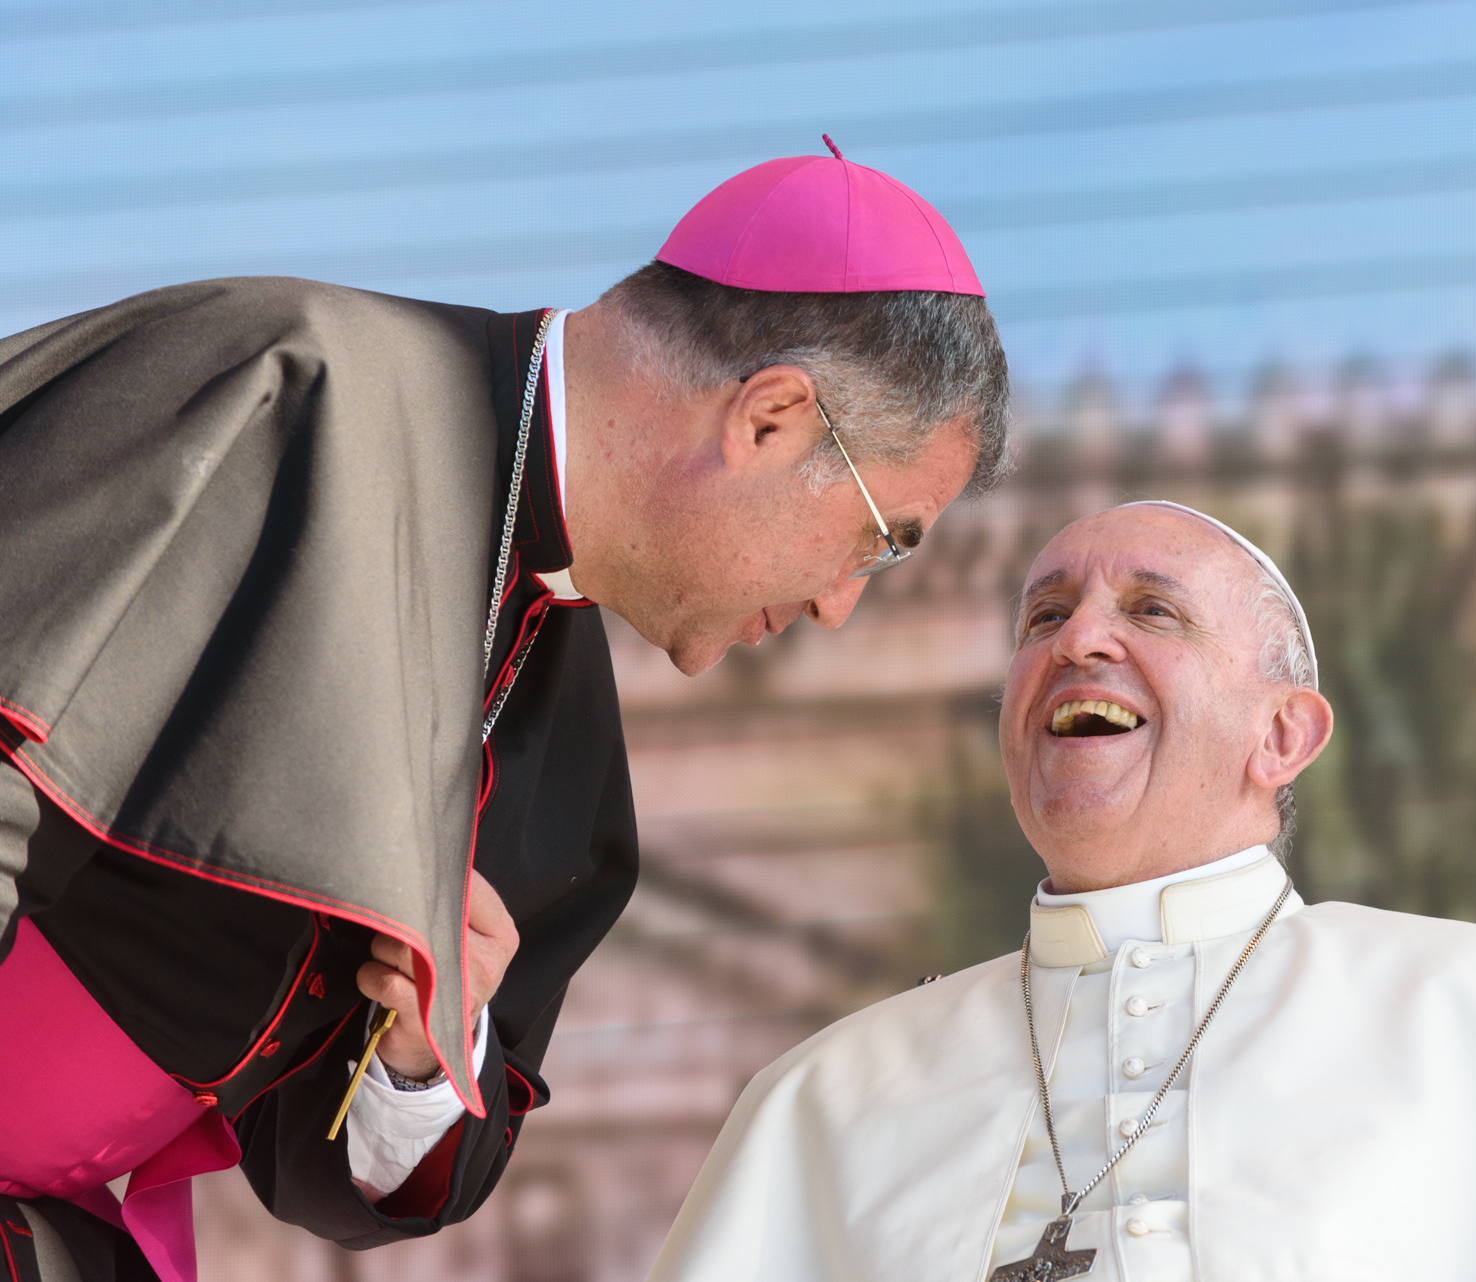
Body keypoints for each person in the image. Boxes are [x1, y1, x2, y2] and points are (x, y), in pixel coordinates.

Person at [0, 140, 1009, 1282]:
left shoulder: (569, 752)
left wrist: (419, 1063)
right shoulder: (286, 388)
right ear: (769, 418)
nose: (838, 603)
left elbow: (318, 1167)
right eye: (879, 540)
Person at [648, 501, 1476, 1282]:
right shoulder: (824, 1094)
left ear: (1284, 734)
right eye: (1044, 616)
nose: (1078, 638)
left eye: (1152, 611)